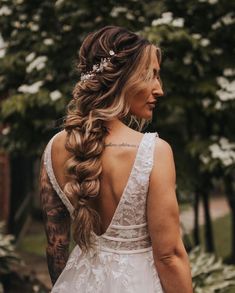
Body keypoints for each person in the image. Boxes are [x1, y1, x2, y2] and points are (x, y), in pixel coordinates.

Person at [39, 25, 193, 293]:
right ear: (125, 77)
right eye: (152, 75)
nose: (160, 89)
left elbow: (56, 246)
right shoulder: (153, 151)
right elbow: (169, 256)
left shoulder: (55, 148)